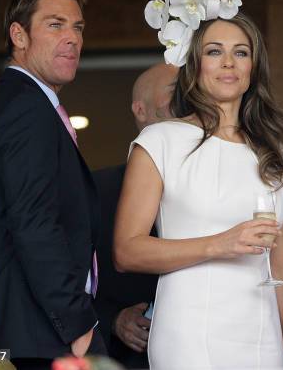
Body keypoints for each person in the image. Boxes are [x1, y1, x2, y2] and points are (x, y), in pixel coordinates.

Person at [114, 13, 283, 369]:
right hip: (188, 336)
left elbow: (281, 266)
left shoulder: (279, 156)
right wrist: (219, 243)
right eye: (214, 51)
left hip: (262, 339)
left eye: (241, 52)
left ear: (254, 66)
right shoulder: (160, 141)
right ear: (195, 65)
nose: (228, 63)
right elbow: (126, 251)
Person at [0, 0, 105, 370]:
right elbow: (33, 220)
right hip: (41, 334)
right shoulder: (26, 105)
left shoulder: (30, 103)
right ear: (18, 35)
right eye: (56, 25)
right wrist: (78, 323)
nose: (72, 38)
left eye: (78, 27)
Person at [93, 63, 178, 368]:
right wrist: (112, 319)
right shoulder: (96, 190)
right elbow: (64, 278)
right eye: (175, 94)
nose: (188, 102)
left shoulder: (221, 187)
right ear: (140, 111)